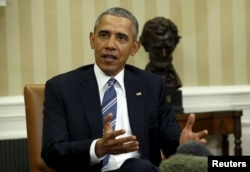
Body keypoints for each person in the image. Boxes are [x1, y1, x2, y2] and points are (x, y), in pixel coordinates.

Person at [41, 7, 208, 172]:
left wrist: (183, 144)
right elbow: (52, 152)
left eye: (121, 38)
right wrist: (97, 148)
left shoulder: (151, 86)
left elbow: (170, 144)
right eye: (104, 35)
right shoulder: (62, 88)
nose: (110, 45)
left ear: (134, 48)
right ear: (92, 40)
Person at [140, 17, 182, 89]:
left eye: (168, 47)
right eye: (157, 48)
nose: (164, 54)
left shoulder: (174, 79)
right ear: (146, 46)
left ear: (175, 44)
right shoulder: (143, 81)